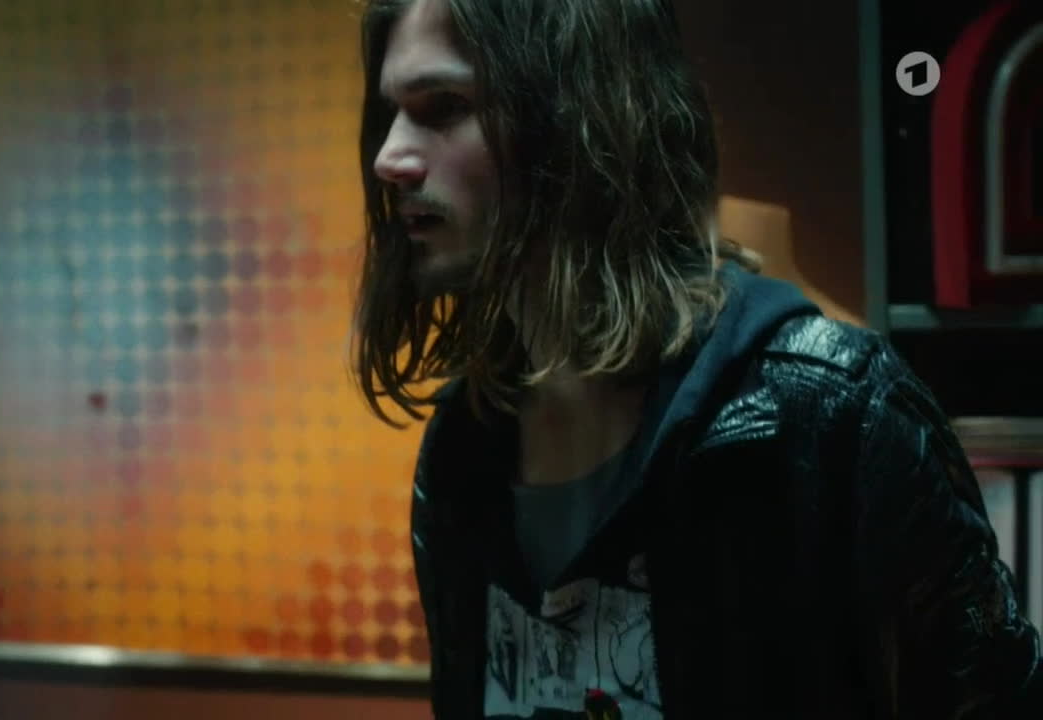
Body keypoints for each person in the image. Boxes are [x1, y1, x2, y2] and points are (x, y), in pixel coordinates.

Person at [348, 0, 1042, 718]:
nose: (388, 158)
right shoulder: (464, 449)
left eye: (443, 106)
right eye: (390, 113)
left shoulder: (833, 416)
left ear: (577, 118)